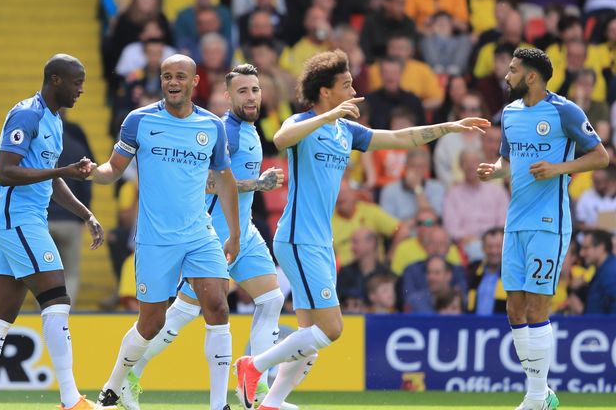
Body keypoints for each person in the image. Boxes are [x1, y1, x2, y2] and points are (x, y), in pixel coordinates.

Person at [234, 49, 490, 410]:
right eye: (346, 84)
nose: (354, 89)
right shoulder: (303, 121)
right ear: (325, 91)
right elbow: (280, 138)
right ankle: (253, 366)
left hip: (319, 242)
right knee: (331, 330)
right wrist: (330, 116)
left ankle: (272, 403)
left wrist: (448, 127)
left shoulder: (346, 131)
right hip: (297, 237)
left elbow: (401, 138)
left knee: (311, 335)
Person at [113, 63, 293, 410]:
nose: (251, 96)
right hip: (212, 235)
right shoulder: (225, 130)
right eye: (242, 91)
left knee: (270, 300)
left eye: (255, 90)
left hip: (246, 231)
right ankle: (131, 373)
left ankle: (254, 387)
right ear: (228, 96)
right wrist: (258, 184)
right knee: (180, 313)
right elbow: (207, 183)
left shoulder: (252, 129)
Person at [90, 54, 240, 410]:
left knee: (218, 306)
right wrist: (89, 171)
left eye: (180, 77)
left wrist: (233, 233)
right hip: (156, 239)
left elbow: (225, 179)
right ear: (161, 81)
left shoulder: (212, 127)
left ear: (195, 82)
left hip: (199, 234)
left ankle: (219, 404)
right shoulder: (139, 120)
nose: (173, 82)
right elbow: (112, 170)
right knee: (152, 321)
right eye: (167, 76)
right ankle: (113, 387)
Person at [0, 54, 105, 410]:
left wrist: (87, 214)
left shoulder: (54, 119)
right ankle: (71, 400)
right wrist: (64, 170)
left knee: (0, 316)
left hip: (22, 219)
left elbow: (52, 180)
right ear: (55, 80)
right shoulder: (28, 115)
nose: (81, 89)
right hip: (16, 218)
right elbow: (6, 172)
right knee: (56, 299)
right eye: (76, 82)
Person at [477, 48, 609, 410]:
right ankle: (540, 393)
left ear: (531, 77)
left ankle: (537, 397)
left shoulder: (565, 110)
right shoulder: (510, 113)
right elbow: (508, 160)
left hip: (549, 222)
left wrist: (558, 168)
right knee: (514, 309)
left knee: (537, 309)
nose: (507, 75)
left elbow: (601, 156)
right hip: (515, 221)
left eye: (514, 70)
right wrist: (495, 170)